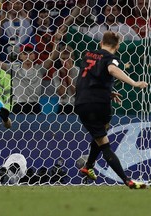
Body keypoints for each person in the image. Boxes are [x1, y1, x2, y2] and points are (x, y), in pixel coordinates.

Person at [75, 31, 148, 189]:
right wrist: (134, 83)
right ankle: (127, 180)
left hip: (83, 102)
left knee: (99, 134)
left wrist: (107, 92)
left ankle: (88, 166)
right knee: (104, 143)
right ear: (117, 46)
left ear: (101, 43)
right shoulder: (112, 58)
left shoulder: (88, 55)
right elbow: (112, 70)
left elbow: (89, 78)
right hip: (98, 104)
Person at [53, 45, 79, 114]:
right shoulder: (56, 73)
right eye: (63, 58)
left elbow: (75, 93)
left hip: (76, 105)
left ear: (72, 58)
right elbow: (62, 95)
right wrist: (64, 75)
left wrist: (68, 73)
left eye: (68, 58)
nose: (65, 61)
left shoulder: (79, 71)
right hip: (63, 106)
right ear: (60, 58)